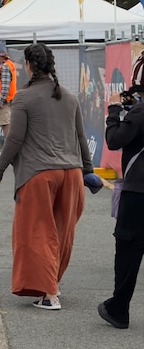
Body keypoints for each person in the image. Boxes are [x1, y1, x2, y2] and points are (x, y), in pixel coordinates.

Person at [0, 43, 93, 311]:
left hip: (38, 174)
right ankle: (52, 284)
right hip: (71, 174)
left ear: (29, 65)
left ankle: (49, 293)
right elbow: (81, 136)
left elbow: (14, 139)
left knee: (36, 234)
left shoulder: (24, 97)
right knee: (60, 233)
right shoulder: (69, 95)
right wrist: (89, 170)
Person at [98, 89, 144, 329]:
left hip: (137, 193)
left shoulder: (139, 113)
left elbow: (115, 140)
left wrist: (115, 110)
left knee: (127, 252)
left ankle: (119, 308)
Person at [0, 40, 17, 157]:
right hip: (8, 100)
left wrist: (1, 101)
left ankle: (7, 151)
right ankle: (9, 150)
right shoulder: (7, 65)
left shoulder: (5, 67)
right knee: (7, 125)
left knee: (6, 125)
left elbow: (5, 86)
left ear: (2, 56)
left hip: (5, 101)